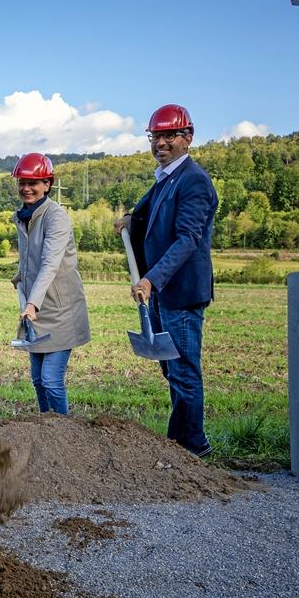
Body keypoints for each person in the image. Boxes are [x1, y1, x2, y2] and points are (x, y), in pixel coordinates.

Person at [114, 104, 217, 458]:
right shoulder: (165, 178)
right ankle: (180, 444)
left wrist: (151, 280)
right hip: (161, 291)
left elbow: (187, 238)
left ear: (187, 137)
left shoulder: (194, 181)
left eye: (169, 135)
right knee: (171, 371)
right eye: (155, 136)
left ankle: (192, 447)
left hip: (180, 293)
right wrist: (132, 219)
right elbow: (153, 215)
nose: (161, 143)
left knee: (184, 372)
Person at [10, 153, 90, 414]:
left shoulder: (56, 217)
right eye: (22, 182)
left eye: (34, 182)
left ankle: (65, 434)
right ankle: (47, 430)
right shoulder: (23, 216)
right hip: (37, 310)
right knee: (37, 379)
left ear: (47, 184)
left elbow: (50, 263)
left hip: (60, 309)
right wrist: (21, 275)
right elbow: (30, 256)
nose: (26, 188)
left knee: (51, 380)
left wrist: (31, 303)